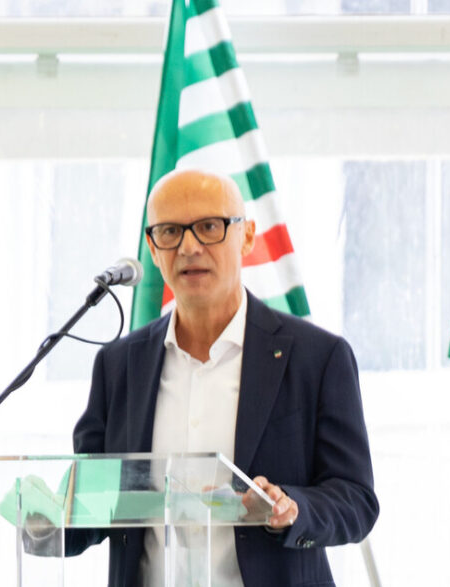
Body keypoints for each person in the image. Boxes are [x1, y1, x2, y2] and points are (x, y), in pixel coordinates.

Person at [70, 169, 378, 586]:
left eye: (209, 227)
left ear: (247, 236)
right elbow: (90, 507)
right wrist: (43, 518)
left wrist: (292, 506)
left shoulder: (317, 357)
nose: (189, 247)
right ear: (152, 248)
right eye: (170, 232)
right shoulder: (118, 365)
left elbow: (356, 501)